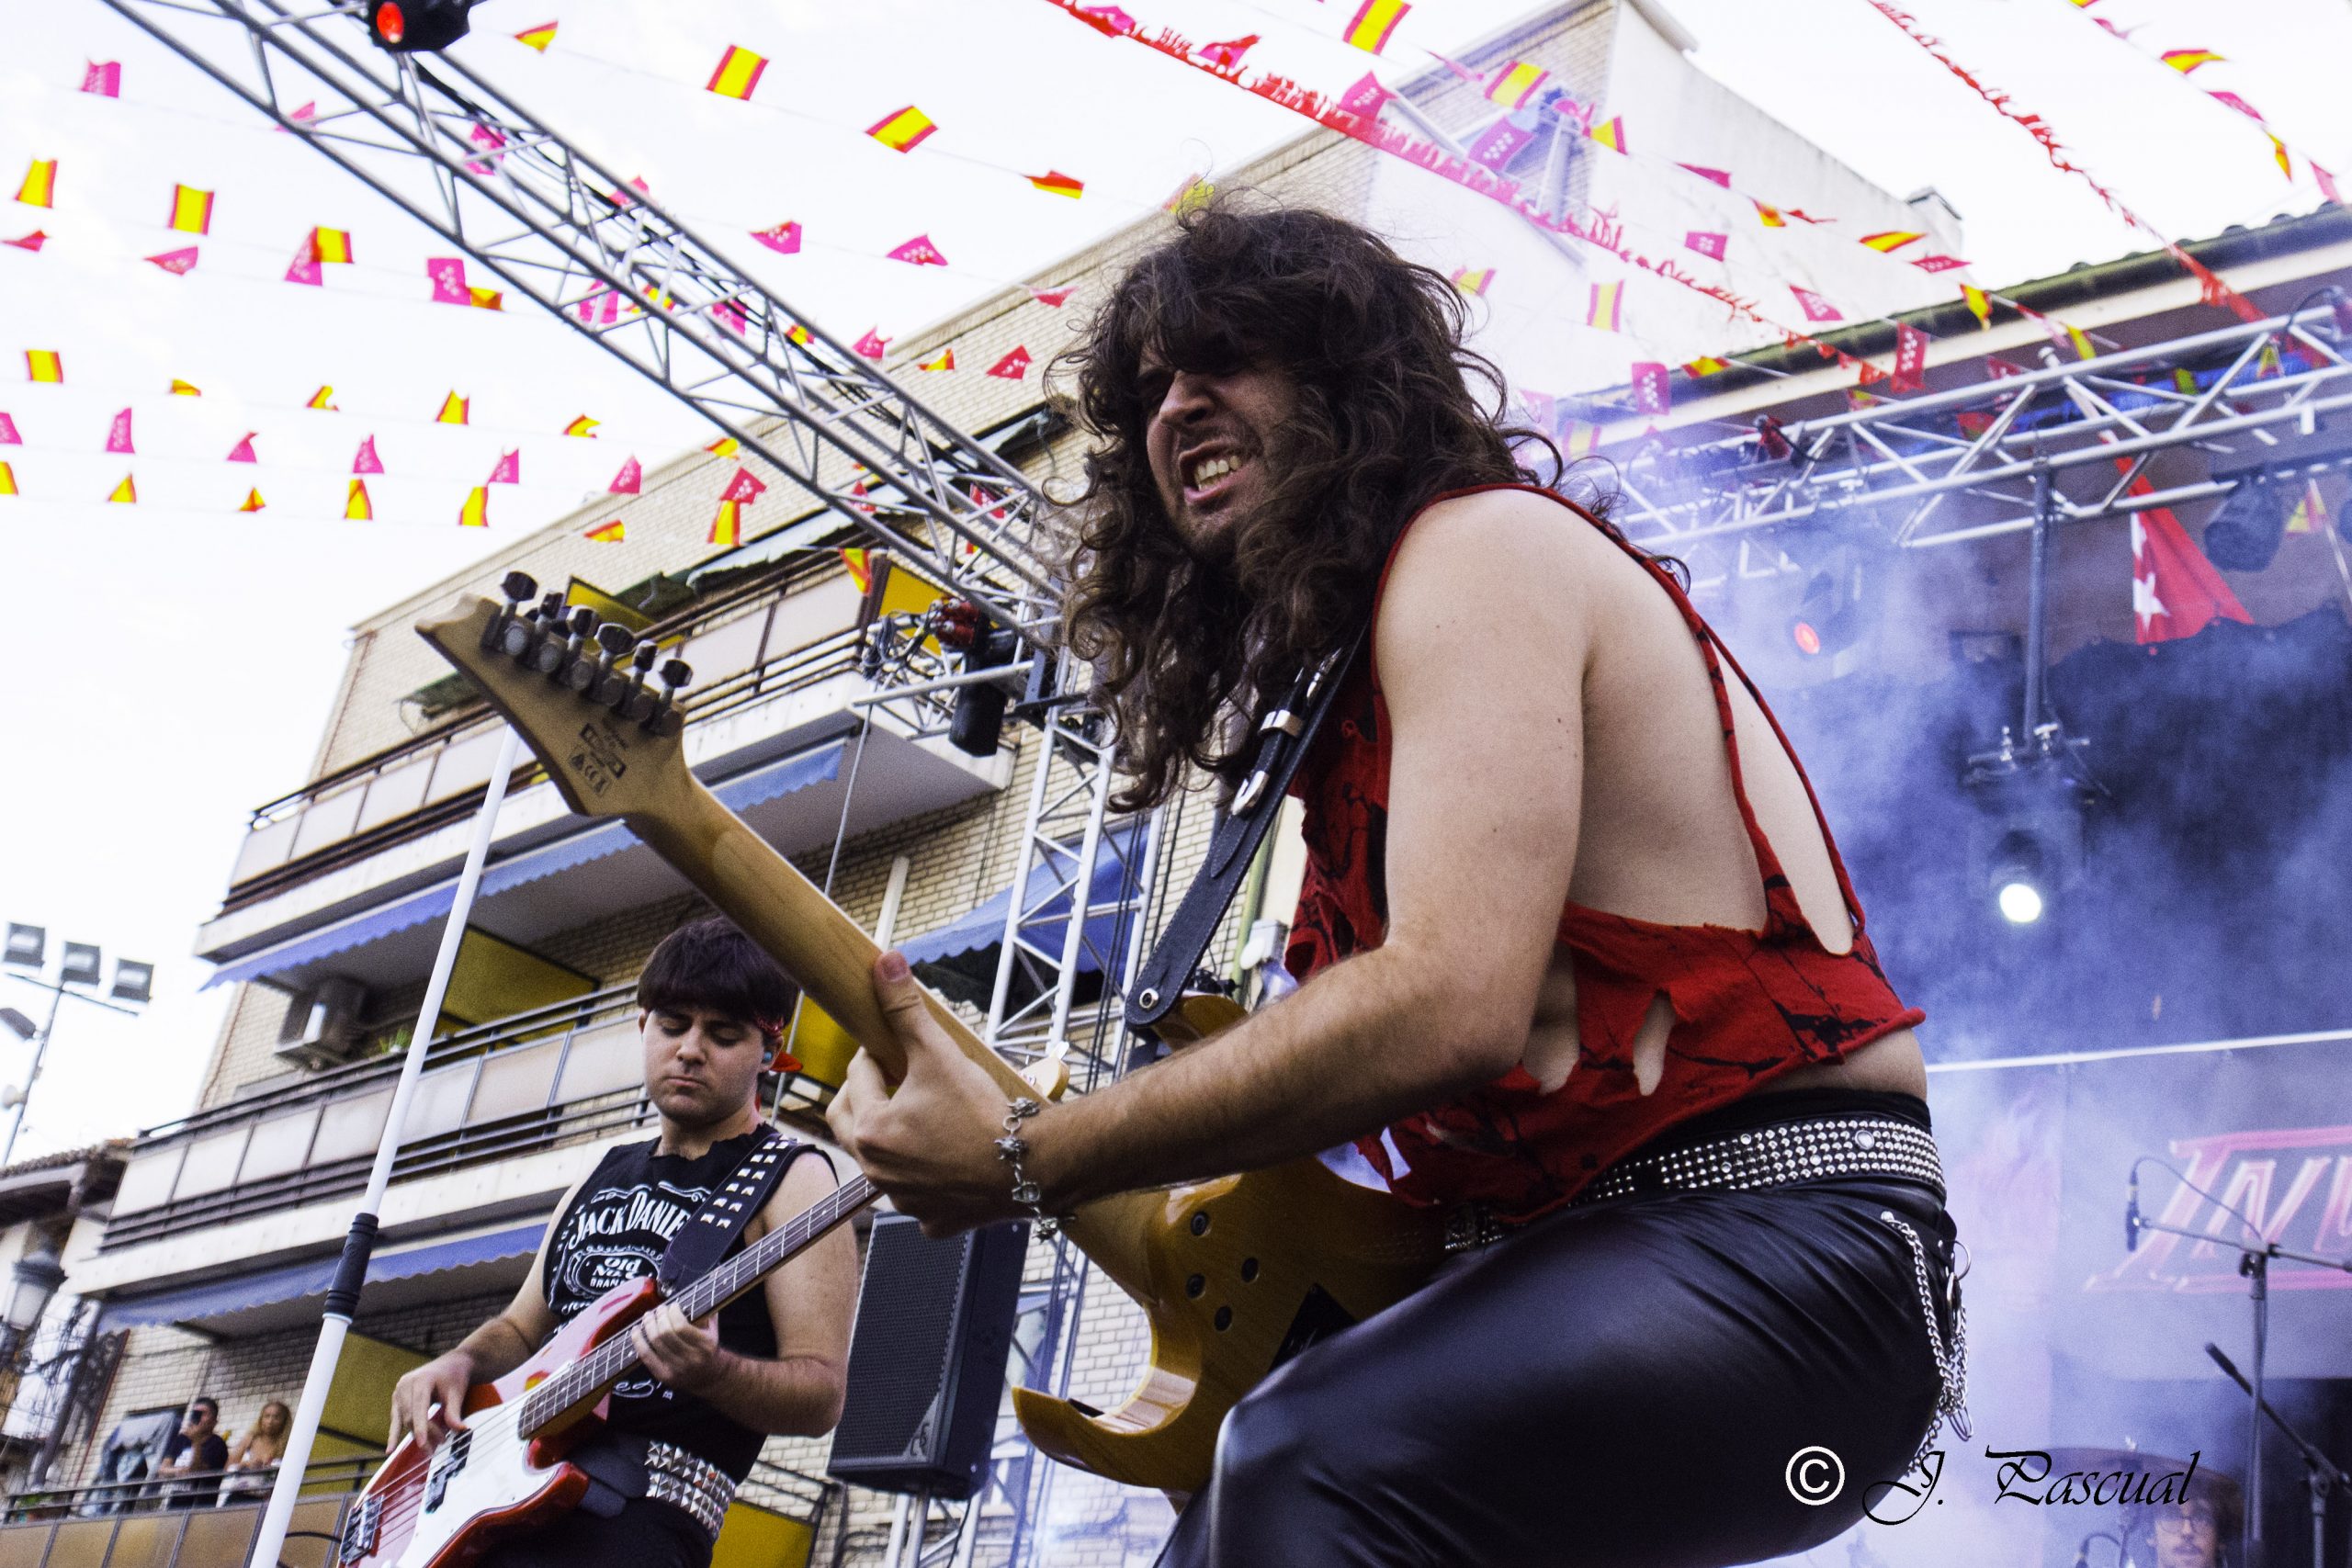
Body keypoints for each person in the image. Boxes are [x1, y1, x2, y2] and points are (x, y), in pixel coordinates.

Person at [827, 200, 1966, 1567]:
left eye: (1224, 358)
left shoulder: (1478, 547)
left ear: (1349, 384)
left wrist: (1027, 1156)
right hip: (1555, 1261)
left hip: (1785, 1243)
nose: (1177, 407)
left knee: (1305, 1463)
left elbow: (1449, 1003)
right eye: (1151, 389)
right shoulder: (1346, 700)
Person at [389, 918, 859, 1568]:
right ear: (643, 1027)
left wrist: (714, 1372)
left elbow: (821, 1394)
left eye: (723, 1034)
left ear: (768, 1053)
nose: (690, 1049)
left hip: (637, 1522)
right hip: (502, 1500)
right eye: (673, 1025)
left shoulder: (795, 1178)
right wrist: (460, 1361)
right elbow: (522, 1330)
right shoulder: (601, 1171)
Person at [156, 1396, 228, 1509]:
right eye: (196, 1413)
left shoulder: (217, 1444)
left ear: (214, 1421)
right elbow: (162, 1469)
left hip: (200, 1505)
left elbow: (196, 1470)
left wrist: (196, 1441)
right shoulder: (182, 1439)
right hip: (175, 1502)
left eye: (203, 1414)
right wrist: (179, 1470)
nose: (198, 1417)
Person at [217, 1398, 290, 1502]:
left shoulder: (287, 1445)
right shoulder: (250, 1439)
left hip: (269, 1501)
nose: (270, 1421)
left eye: (276, 1417)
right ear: (261, 1419)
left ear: (284, 1421)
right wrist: (246, 1464)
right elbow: (228, 1468)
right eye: (267, 1416)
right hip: (240, 1496)